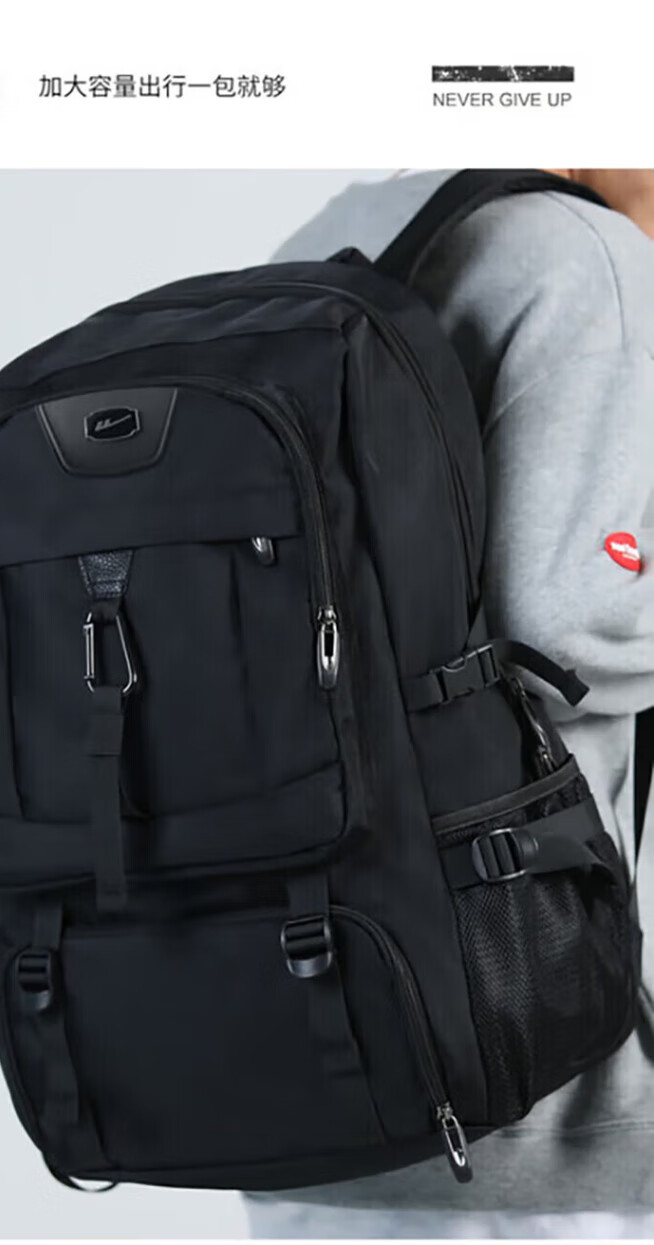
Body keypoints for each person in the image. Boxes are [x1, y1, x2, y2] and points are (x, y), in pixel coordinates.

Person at [243, 169, 654, 1239]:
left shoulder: (341, 237)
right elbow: (569, 627)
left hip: (308, 1051)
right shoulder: (588, 261)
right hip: (530, 1088)